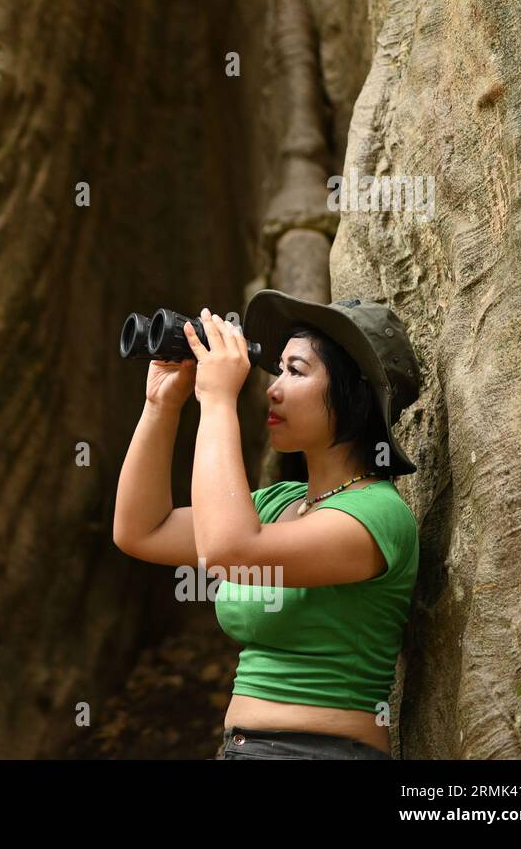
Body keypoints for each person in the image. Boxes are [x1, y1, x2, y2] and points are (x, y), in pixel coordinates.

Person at [112, 291, 422, 760]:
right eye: (276, 369)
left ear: (354, 393)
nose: (272, 388)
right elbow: (141, 530)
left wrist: (217, 400)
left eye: (295, 371)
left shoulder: (377, 515)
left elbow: (229, 551)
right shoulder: (280, 504)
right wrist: (161, 406)